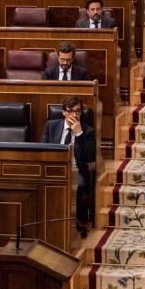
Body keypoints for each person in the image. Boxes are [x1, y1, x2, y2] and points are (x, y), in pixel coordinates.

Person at [42, 95, 96, 236]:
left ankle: (71, 222)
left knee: (78, 184)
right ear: (64, 112)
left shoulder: (87, 131)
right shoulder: (51, 126)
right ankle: (47, 220)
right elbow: (43, 149)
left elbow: (89, 158)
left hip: (75, 170)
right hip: (53, 167)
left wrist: (79, 134)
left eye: (78, 111)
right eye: (71, 111)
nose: (74, 115)